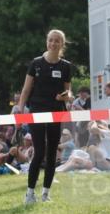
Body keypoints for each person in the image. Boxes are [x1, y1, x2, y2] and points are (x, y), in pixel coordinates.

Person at [14, 29, 73, 203]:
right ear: (47, 42)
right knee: (39, 152)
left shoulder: (66, 66)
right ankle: (30, 194)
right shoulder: (36, 63)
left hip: (56, 112)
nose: (53, 43)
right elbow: (25, 90)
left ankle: (46, 193)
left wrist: (66, 96)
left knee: (52, 151)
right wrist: (19, 110)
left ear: (62, 44)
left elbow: (69, 92)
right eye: (50, 40)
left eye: (57, 41)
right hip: (37, 112)